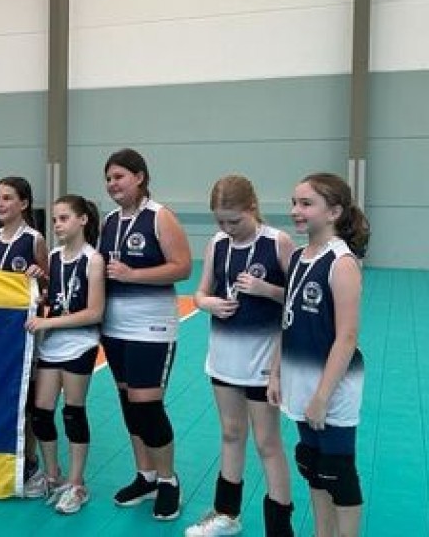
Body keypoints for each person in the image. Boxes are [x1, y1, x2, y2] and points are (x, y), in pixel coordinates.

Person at [188, 175, 294, 536]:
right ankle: (226, 514)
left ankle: (280, 527)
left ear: (252, 208)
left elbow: (300, 301)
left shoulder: (278, 242)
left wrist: (267, 289)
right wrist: (209, 304)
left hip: (264, 362)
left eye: (234, 221)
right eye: (220, 221)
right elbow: (200, 293)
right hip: (223, 358)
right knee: (231, 433)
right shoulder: (218, 244)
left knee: (267, 442)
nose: (227, 228)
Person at [268, 172, 370, 537]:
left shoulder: (342, 263)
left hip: (332, 389)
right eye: (294, 203)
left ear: (334, 212)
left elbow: (346, 338)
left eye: (306, 204)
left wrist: (322, 398)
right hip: (301, 382)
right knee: (311, 466)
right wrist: (276, 373)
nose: (296, 211)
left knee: (338, 473)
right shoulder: (298, 257)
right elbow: (288, 320)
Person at [98, 148, 191, 521]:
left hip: (151, 325)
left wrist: (133, 275)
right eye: (108, 179)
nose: (112, 184)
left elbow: (182, 267)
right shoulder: (109, 220)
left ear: (139, 177)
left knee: (147, 406)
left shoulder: (160, 217)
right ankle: (146, 475)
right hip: (114, 325)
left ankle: (169, 480)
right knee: (128, 404)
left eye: (118, 176)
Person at [25, 195, 104, 515]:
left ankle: (76, 483)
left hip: (80, 344)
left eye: (64, 218)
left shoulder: (93, 259)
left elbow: (94, 312)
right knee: (41, 412)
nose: (57, 224)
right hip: (52, 343)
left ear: (82, 220)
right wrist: (36, 290)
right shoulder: (55, 257)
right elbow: (56, 297)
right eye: (55, 219)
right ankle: (52, 475)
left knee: (73, 413)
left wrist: (48, 321)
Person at [0, 177, 49, 497]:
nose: (0, 203)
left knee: (29, 396)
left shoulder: (34, 239)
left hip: (26, 331)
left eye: (7, 198)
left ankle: (31, 459)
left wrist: (41, 276)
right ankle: (5, 451)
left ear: (23, 204)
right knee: (4, 393)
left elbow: (49, 285)